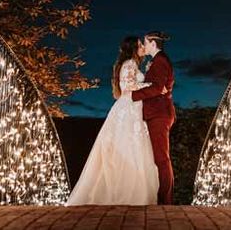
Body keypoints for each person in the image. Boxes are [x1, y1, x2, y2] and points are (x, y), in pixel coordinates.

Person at [65, 36, 159, 205]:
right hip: (128, 109)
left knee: (130, 147)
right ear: (133, 49)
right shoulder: (130, 63)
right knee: (129, 146)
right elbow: (128, 87)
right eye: (139, 45)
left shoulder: (132, 64)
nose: (142, 48)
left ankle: (128, 190)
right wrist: (151, 86)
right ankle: (127, 193)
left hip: (131, 107)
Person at [131, 31, 176, 205]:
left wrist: (133, 95)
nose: (143, 45)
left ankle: (165, 201)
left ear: (153, 43)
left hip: (159, 114)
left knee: (161, 158)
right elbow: (158, 86)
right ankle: (163, 198)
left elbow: (158, 88)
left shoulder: (161, 61)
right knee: (158, 157)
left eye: (145, 42)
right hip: (156, 113)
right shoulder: (158, 61)